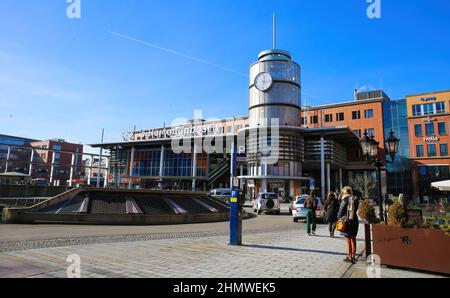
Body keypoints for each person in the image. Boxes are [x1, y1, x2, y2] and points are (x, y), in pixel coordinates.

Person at [337, 186, 360, 264]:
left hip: (347, 221)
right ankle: (353, 256)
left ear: (344, 192)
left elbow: (341, 210)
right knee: (353, 238)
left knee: (347, 239)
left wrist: (338, 218)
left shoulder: (345, 199)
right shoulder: (355, 199)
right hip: (354, 220)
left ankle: (349, 256)